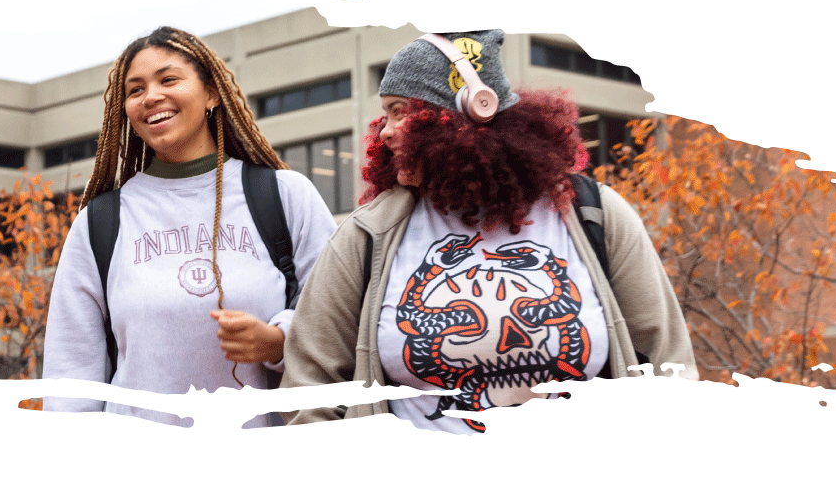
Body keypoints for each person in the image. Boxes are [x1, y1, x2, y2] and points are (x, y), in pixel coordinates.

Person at [282, 30, 697, 433]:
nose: (384, 130)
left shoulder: (593, 214)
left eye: (400, 111)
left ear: (467, 115)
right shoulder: (368, 234)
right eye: (384, 113)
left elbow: (667, 364)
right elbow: (310, 385)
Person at [42, 26, 338, 428]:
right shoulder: (101, 221)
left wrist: (278, 341)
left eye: (169, 80)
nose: (151, 97)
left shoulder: (284, 196)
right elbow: (70, 376)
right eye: (135, 90)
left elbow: (338, 319)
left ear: (211, 93)